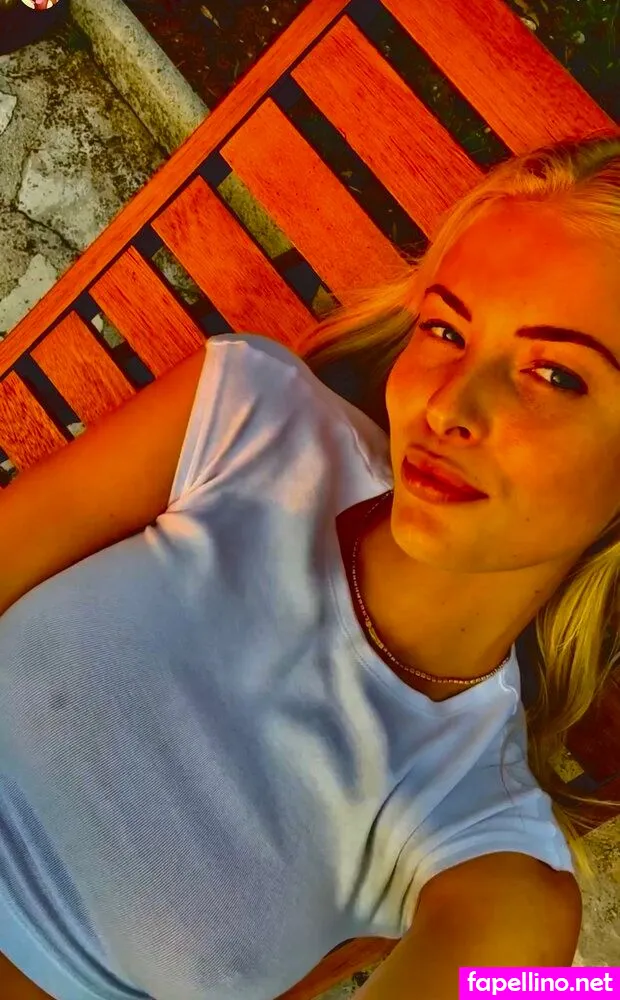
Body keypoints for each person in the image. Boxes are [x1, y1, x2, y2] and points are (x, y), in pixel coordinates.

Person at [0, 128, 618, 1000]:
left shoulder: (490, 857)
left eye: (555, 375)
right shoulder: (243, 415)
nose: (449, 405)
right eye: (445, 329)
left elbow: (533, 983)